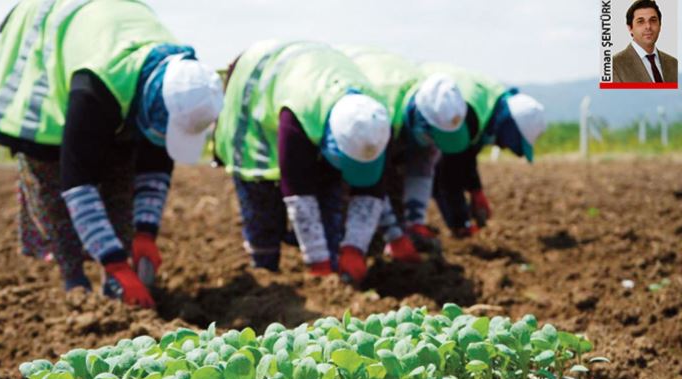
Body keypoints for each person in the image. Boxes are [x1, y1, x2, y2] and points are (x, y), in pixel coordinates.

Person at [0, 0, 223, 307]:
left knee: (121, 177)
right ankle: (75, 282)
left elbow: (155, 163)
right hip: (49, 54)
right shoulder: (95, 88)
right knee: (50, 178)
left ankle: (114, 287)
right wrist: (115, 263)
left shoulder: (181, 82)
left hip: (108, 50)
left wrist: (145, 232)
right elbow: (77, 183)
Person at [214, 40, 391, 284]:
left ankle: (334, 262)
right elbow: (298, 189)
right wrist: (317, 262)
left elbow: (371, 188)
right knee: (262, 204)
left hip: (314, 90)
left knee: (331, 199)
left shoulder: (375, 117)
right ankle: (264, 273)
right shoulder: (299, 114)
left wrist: (354, 247)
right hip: (256, 95)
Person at [340, 46, 467, 261]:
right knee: (352, 192)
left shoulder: (433, 105)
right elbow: (372, 180)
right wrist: (394, 234)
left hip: (392, 108)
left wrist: (415, 222)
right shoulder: (380, 113)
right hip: (354, 124)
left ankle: (388, 241)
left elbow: (423, 165)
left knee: (395, 193)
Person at [421, 63, 546, 238]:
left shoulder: (491, 104)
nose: (503, 147)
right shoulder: (467, 114)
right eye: (508, 144)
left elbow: (467, 153)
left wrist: (475, 190)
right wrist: (461, 224)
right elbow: (448, 174)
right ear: (509, 130)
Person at [613, 0, 678, 83]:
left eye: (653, 20)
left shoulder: (674, 63)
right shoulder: (613, 66)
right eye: (640, 21)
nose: (648, 26)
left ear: (660, 25)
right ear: (630, 28)